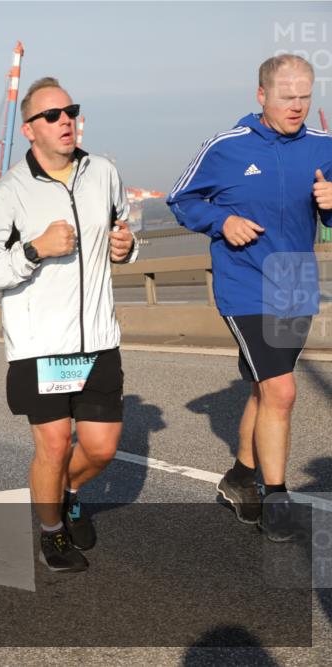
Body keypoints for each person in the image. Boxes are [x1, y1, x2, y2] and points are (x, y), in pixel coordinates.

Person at [0, 77, 137, 573]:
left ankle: (68, 489)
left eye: (71, 111)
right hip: (41, 346)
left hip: (98, 339)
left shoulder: (103, 172)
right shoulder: (9, 192)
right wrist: (35, 249)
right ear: (29, 130)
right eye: (52, 115)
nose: (66, 120)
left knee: (102, 448)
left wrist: (129, 249)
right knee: (55, 443)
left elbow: (124, 230)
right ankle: (52, 532)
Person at [167, 54, 332, 541]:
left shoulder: (324, 147)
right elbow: (181, 199)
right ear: (261, 95)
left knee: (266, 389)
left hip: (295, 281)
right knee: (282, 390)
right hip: (246, 286)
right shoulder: (226, 148)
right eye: (287, 96)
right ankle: (275, 495)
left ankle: (239, 478)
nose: (297, 106)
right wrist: (223, 222)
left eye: (305, 96)